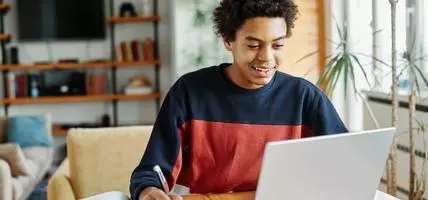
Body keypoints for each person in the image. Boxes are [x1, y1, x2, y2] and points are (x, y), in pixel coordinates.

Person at [130, 0, 348, 199]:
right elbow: (151, 172)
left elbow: (348, 162)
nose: (267, 57)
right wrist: (149, 191)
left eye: (278, 45)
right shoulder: (189, 92)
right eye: (253, 45)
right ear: (228, 40)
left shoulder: (305, 97)